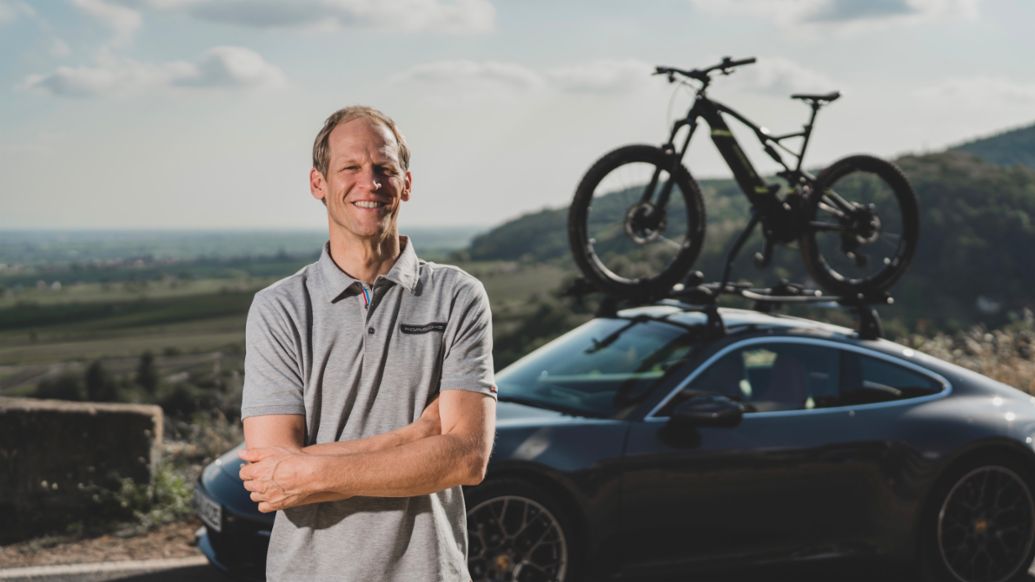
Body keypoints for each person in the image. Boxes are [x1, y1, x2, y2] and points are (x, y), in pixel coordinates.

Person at [238, 105, 497, 581]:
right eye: (350, 168)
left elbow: (465, 457)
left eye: (384, 169)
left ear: (407, 184)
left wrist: (308, 472)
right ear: (319, 183)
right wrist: (414, 440)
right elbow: (271, 475)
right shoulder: (279, 308)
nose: (369, 183)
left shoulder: (457, 296)